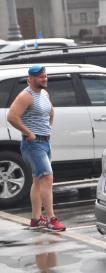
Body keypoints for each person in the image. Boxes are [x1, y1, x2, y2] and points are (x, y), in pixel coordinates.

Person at [7, 65, 66, 232]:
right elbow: (12, 116)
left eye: (45, 76)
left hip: (44, 142)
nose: (44, 79)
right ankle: (51, 219)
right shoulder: (26, 96)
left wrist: (48, 128)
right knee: (47, 178)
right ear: (31, 79)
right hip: (33, 144)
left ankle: (35, 219)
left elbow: (50, 111)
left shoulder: (44, 93)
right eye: (41, 77)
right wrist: (28, 132)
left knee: (38, 180)